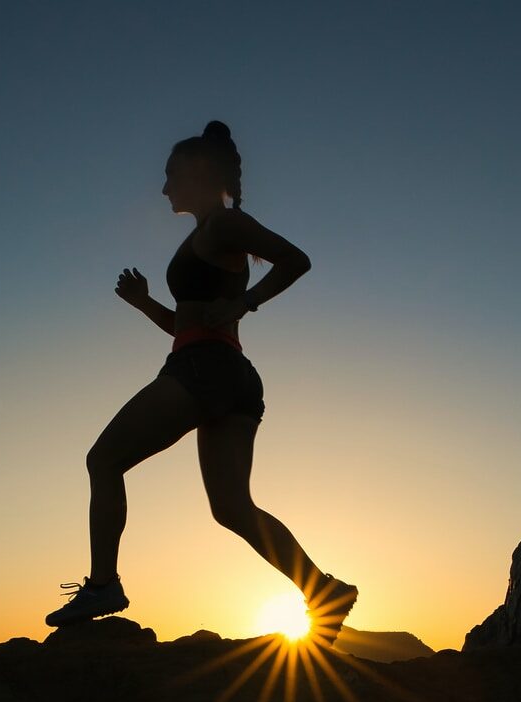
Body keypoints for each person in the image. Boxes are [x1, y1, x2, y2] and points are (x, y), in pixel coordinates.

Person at [45, 120, 358, 643]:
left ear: (196, 172)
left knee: (103, 459)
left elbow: (295, 260)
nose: (164, 187)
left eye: (170, 176)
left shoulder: (221, 226)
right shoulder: (207, 233)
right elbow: (188, 324)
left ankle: (103, 585)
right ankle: (324, 590)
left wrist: (246, 301)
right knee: (232, 508)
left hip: (204, 370)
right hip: (229, 374)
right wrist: (146, 303)